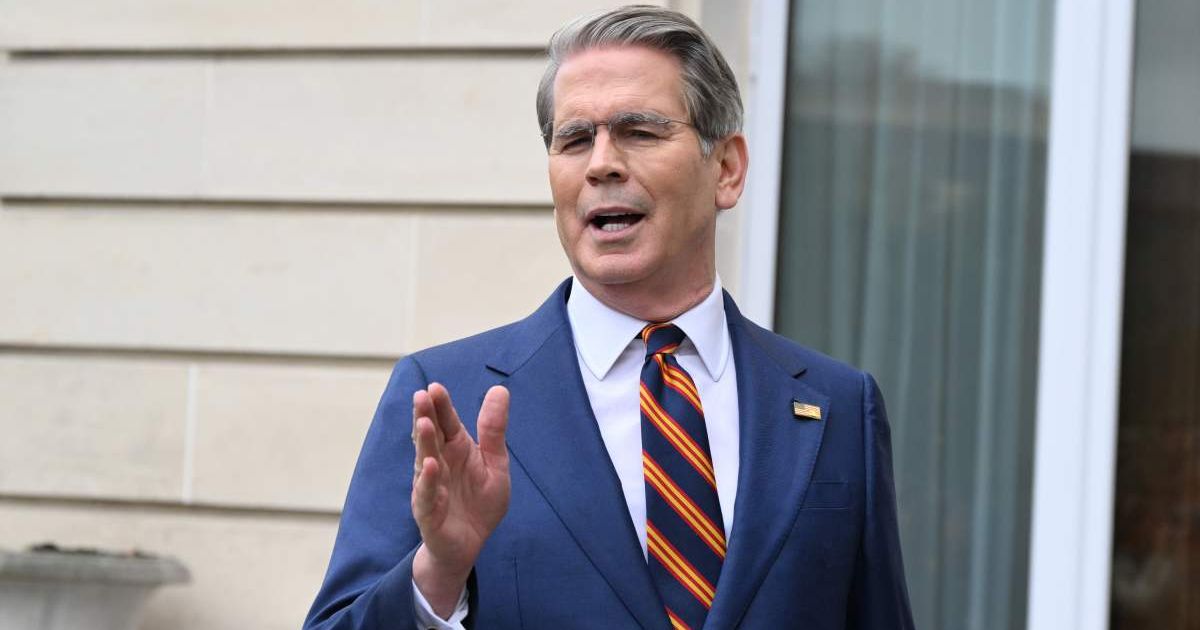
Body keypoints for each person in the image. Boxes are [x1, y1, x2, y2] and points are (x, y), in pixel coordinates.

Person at [304, 5, 913, 629]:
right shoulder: (445, 398)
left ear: (726, 170)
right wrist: (439, 573)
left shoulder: (839, 407)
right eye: (573, 140)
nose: (600, 164)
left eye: (640, 131)